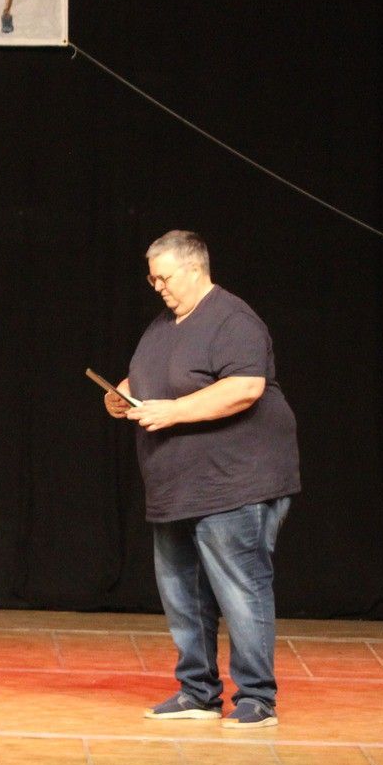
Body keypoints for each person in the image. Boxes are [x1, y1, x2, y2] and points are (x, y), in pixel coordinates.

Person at [104, 231, 300, 730]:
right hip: (176, 488)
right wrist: (120, 395)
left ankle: (256, 697)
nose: (157, 286)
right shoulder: (161, 326)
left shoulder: (233, 320)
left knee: (240, 588)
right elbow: (147, 377)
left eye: (164, 277)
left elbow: (245, 387)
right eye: (152, 278)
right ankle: (197, 691)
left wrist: (172, 412)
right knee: (181, 591)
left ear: (195, 269)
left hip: (233, 483)